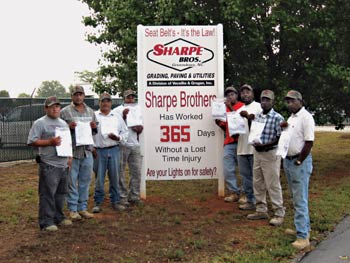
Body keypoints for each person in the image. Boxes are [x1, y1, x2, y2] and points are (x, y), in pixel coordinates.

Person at [27, 96, 72, 231]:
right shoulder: (40, 123)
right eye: (52, 106)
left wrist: (70, 157)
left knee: (61, 193)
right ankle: (46, 221)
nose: (55, 109)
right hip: (49, 164)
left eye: (57, 106)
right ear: (46, 108)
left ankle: (59, 217)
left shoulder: (63, 123)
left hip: (63, 164)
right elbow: (32, 141)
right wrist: (49, 142)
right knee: (47, 194)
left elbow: (67, 142)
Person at [246, 90, 285, 226]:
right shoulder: (258, 116)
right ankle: (261, 209)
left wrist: (266, 146)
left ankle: (279, 213)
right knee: (258, 182)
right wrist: (255, 143)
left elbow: (281, 138)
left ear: (273, 102)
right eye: (263, 99)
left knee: (272, 184)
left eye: (267, 100)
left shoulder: (278, 118)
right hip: (258, 152)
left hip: (270, 154)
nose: (264, 102)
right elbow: (254, 133)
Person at [282, 90, 315, 250]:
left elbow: (309, 142)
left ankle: (303, 237)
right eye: (287, 101)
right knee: (296, 197)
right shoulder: (292, 118)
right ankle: (302, 228)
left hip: (298, 162)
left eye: (292, 101)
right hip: (288, 161)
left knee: (300, 199)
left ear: (300, 101)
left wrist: (300, 160)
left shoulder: (306, 117)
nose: (289, 104)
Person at [60, 85, 98, 220]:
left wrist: (94, 127)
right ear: (72, 96)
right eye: (76, 94)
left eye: (80, 94)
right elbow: (58, 129)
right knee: (71, 182)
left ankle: (82, 208)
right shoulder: (65, 112)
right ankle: (72, 209)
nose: (78, 97)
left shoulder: (90, 112)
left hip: (87, 151)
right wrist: (68, 127)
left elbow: (95, 130)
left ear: (84, 95)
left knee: (85, 181)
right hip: (72, 152)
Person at [92, 92, 129, 213]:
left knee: (115, 177)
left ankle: (115, 201)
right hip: (99, 151)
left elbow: (125, 133)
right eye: (103, 101)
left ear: (111, 103)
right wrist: (92, 148)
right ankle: (98, 202)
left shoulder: (116, 116)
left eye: (108, 101)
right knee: (99, 178)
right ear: (99, 103)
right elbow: (88, 133)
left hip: (114, 150)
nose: (105, 103)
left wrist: (118, 138)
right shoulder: (94, 116)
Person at [113, 89, 144, 205]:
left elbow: (142, 124)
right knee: (120, 172)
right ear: (124, 98)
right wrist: (124, 117)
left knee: (136, 172)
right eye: (128, 97)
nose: (130, 99)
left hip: (135, 144)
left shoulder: (139, 109)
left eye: (132, 97)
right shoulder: (117, 111)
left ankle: (134, 196)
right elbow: (114, 126)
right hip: (122, 144)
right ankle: (122, 197)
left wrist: (141, 128)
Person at [215, 86, 244, 202]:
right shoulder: (224, 109)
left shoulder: (242, 106)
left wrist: (230, 107)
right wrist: (218, 122)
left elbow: (238, 121)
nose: (229, 97)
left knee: (244, 170)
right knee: (228, 169)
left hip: (241, 142)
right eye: (227, 95)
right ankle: (234, 192)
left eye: (232, 94)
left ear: (237, 96)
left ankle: (245, 193)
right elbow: (226, 127)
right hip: (229, 142)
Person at [237, 84, 262, 210]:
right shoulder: (239, 109)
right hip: (241, 148)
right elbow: (235, 129)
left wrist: (248, 117)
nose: (245, 94)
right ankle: (250, 200)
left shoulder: (258, 106)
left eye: (248, 92)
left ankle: (260, 203)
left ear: (252, 93)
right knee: (245, 177)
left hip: (254, 148)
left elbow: (260, 124)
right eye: (243, 93)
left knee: (256, 178)